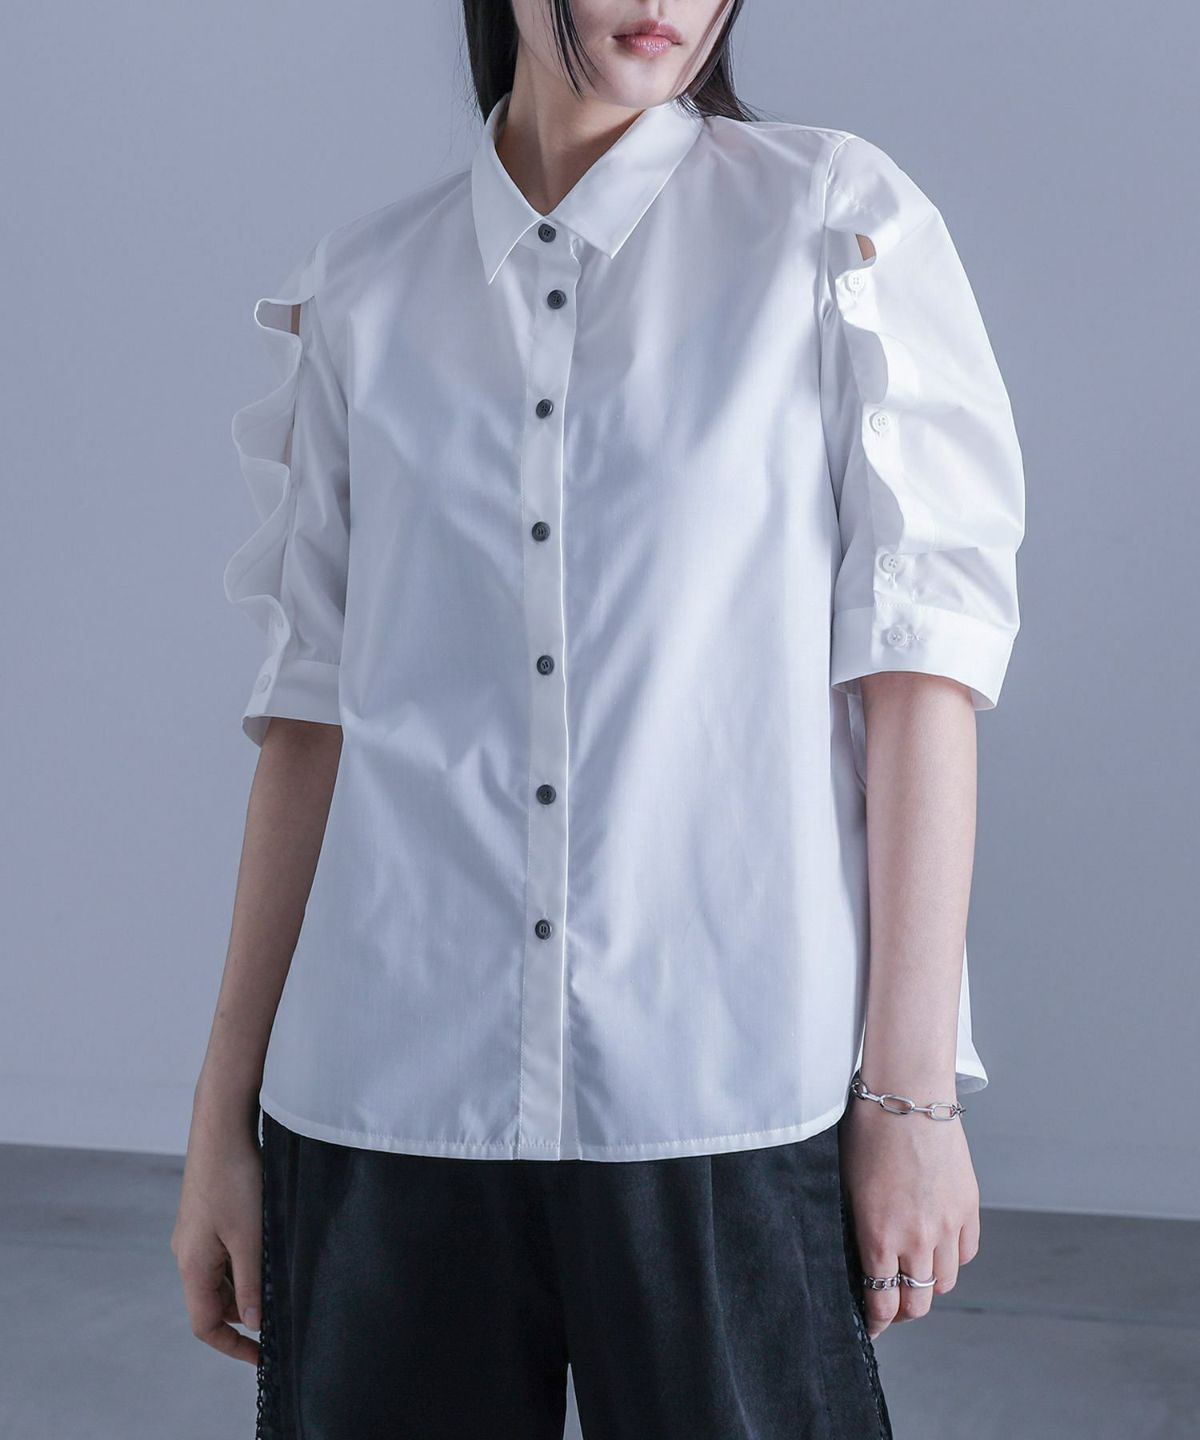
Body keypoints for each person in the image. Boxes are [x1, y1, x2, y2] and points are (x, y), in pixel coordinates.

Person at [171, 1, 1025, 1435]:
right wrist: (221, 1123)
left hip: (724, 1092)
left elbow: (920, 671)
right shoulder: (366, 289)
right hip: (385, 1101)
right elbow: (310, 725)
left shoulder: (831, 226)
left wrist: (913, 1100)